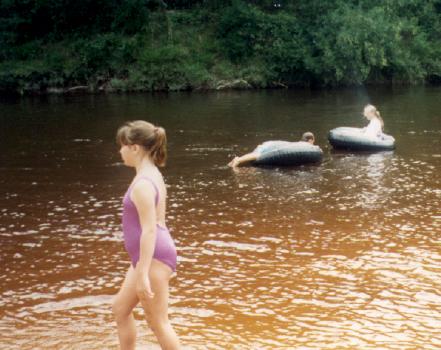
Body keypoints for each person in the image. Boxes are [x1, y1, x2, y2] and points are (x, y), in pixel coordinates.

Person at [113, 120, 180, 350]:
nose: (120, 151)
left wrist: (142, 274)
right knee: (121, 310)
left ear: (135, 147)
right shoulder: (151, 173)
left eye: (122, 146)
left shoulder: (143, 183)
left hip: (153, 257)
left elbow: (150, 229)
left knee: (158, 322)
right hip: (147, 257)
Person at [228, 132, 315, 167]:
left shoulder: (295, 145)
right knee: (258, 155)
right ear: (311, 140)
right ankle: (238, 160)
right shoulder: (302, 146)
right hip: (269, 145)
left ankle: (238, 160)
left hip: (269, 144)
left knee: (257, 156)